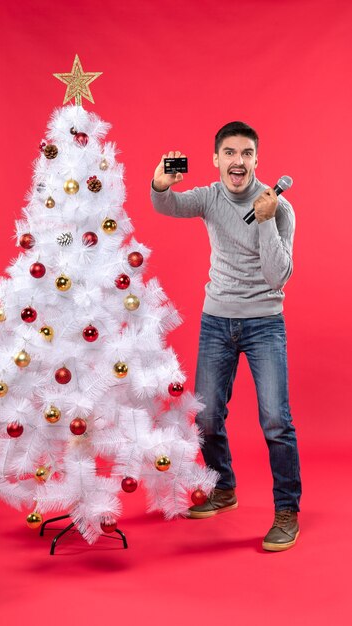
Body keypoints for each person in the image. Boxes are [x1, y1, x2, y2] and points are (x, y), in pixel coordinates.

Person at [150, 121, 301, 551]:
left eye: (247, 153)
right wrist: (160, 185)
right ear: (217, 159)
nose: (239, 161)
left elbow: (277, 277)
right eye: (230, 153)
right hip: (216, 319)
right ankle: (224, 488)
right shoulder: (209, 197)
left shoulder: (279, 207)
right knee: (208, 416)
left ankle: (287, 511)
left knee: (276, 420)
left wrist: (268, 221)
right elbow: (168, 206)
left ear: (256, 159)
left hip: (264, 322)